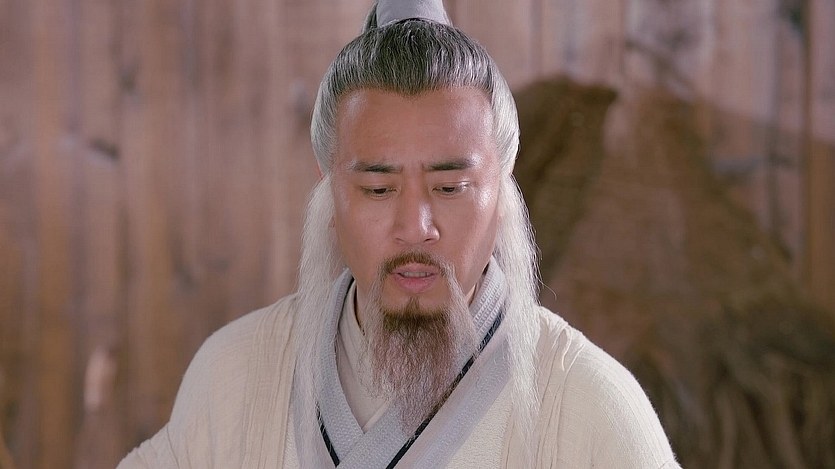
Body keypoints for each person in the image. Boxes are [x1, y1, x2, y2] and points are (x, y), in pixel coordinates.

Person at [118, 1, 680, 467]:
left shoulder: (587, 405)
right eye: (378, 189)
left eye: (450, 187)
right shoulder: (236, 372)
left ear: (503, 196)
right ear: (330, 194)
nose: (416, 227)